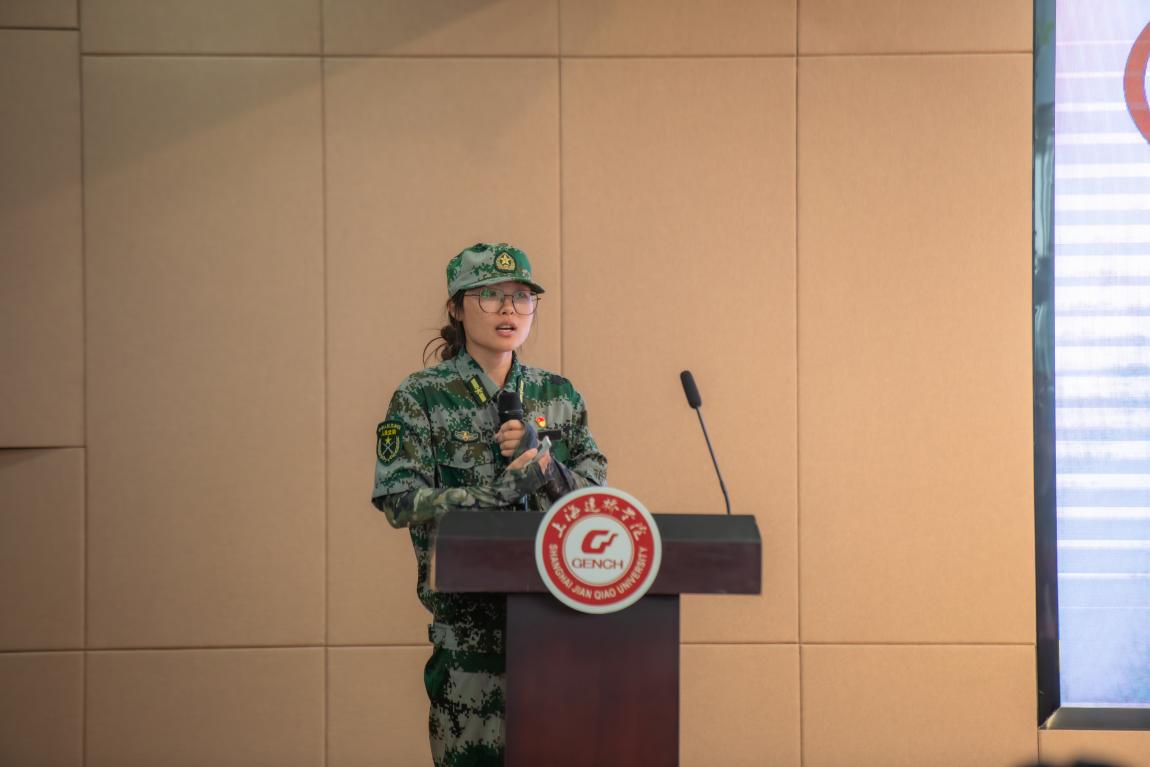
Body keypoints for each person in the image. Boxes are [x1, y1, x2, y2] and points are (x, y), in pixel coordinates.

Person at [372, 242, 607, 767]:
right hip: (469, 640)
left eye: (522, 297)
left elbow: (595, 500)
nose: (508, 309)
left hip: (558, 628)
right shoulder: (422, 396)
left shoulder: (558, 395)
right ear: (456, 308)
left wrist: (546, 467)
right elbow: (399, 500)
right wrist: (496, 494)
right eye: (490, 295)